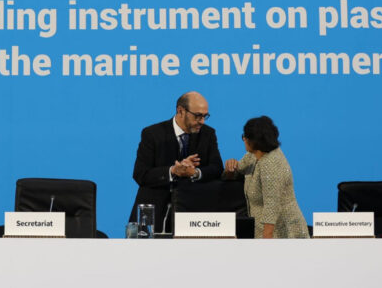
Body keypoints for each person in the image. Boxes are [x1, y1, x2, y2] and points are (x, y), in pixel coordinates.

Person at [131, 91, 222, 231]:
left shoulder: (208, 134)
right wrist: (173, 171)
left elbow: (217, 168)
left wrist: (194, 173)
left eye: (205, 116)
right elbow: (141, 174)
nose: (202, 121)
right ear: (181, 111)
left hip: (192, 214)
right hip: (154, 212)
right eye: (198, 115)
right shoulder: (152, 134)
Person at [223, 115, 309, 239]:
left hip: (281, 233)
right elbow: (238, 170)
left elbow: (271, 207)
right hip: (262, 229)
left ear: (253, 140)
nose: (243, 139)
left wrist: (266, 243)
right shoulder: (254, 154)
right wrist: (230, 167)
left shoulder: (270, 163)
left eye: (245, 136)